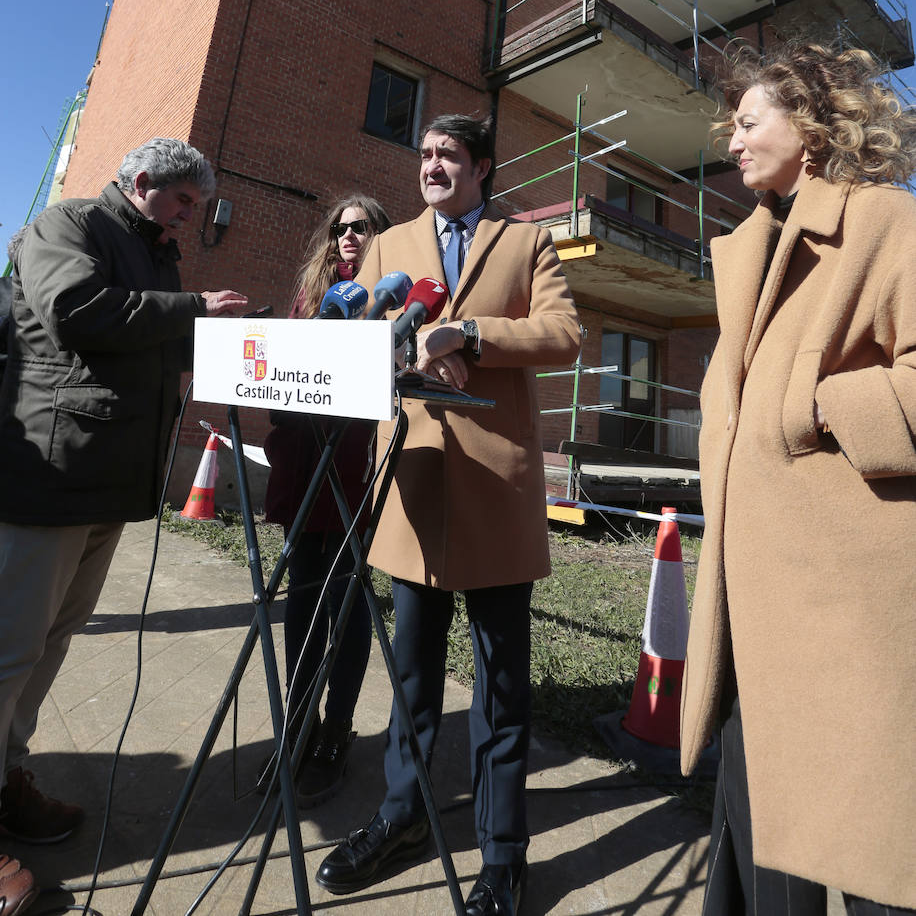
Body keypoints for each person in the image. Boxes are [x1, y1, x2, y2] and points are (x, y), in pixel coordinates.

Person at [316, 114, 581, 916]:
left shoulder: (525, 243)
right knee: (412, 679)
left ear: (482, 167)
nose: (431, 165)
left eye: (448, 155)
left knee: (502, 689)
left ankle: (503, 857)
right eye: (424, 154)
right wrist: (396, 345)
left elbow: (564, 332)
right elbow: (364, 334)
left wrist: (468, 331)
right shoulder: (389, 244)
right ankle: (401, 817)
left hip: (496, 489)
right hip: (415, 483)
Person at [680, 43, 916, 915]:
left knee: (871, 854)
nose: (732, 143)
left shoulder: (887, 222)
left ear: (810, 127)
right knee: (765, 852)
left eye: (748, 122)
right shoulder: (749, 251)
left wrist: (816, 408)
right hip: (755, 615)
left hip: (849, 617)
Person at [0, 138, 247, 914]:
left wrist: (240, 340)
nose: (188, 220)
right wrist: (194, 311)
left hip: (108, 485)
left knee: (49, 643)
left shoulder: (155, 254)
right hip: (49, 475)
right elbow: (76, 312)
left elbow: (160, 339)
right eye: (183, 203)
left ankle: (6, 780)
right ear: (143, 183)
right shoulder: (66, 226)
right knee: (6, 651)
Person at [261, 194, 390, 805]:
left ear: (381, 236)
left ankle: (337, 728)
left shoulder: (390, 299)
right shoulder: (313, 299)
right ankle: (299, 723)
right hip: (302, 461)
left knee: (346, 601)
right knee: (302, 598)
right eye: (340, 228)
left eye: (361, 228)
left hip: (355, 470)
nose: (348, 236)